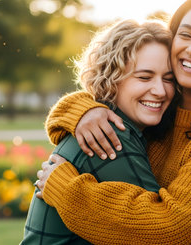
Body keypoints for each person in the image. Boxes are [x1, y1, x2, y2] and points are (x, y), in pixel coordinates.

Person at [36, 0, 191, 244]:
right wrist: (82, 109)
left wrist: (65, 189)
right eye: (186, 35)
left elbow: (170, 229)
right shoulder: (161, 114)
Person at [21, 19, 176, 244]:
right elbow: (159, 232)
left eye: (169, 79)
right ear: (112, 78)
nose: (160, 90)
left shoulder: (113, 125)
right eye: (144, 77)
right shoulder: (111, 135)